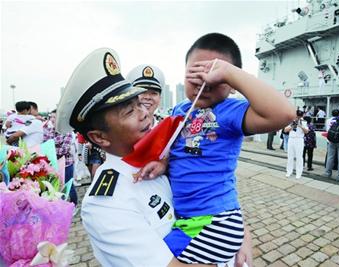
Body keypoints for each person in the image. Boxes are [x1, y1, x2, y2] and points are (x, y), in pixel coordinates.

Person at [55, 48, 253, 267]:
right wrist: (227, 256)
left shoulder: (161, 159)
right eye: (129, 112)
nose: (145, 113)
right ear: (99, 137)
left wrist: (239, 231)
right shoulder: (106, 204)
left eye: (139, 104)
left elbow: (214, 190)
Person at [137, 33, 294, 264]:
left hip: (215, 222)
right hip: (188, 219)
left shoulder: (230, 111)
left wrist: (228, 72)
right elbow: (174, 148)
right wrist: (164, 162)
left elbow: (284, 113)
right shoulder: (179, 110)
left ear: (232, 86)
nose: (204, 81)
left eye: (214, 76)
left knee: (158, 259)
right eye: (195, 73)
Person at [43, 109, 78, 209]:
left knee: (68, 186)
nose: (53, 119)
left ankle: (74, 205)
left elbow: (64, 150)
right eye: (51, 117)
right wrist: (52, 148)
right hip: (53, 164)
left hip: (67, 163)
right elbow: (45, 145)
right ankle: (60, 206)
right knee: (56, 186)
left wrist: (51, 149)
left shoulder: (67, 132)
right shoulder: (48, 131)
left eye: (55, 117)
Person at [284, 110, 308, 179]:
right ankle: (289, 171)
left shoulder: (304, 122)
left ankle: (299, 173)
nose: (298, 117)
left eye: (299, 116)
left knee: (299, 157)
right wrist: (292, 125)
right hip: (291, 139)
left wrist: (301, 126)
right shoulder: (290, 121)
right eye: (297, 116)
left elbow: (306, 131)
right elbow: (285, 130)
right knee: (290, 156)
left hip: (299, 139)